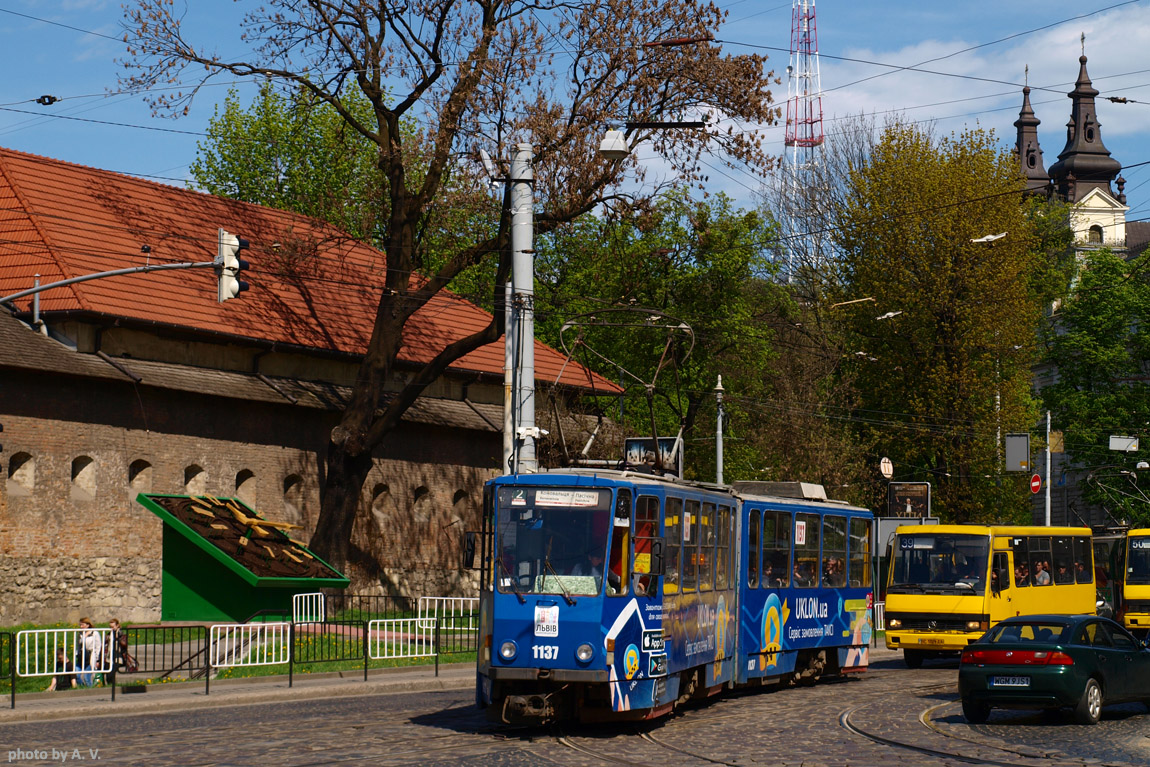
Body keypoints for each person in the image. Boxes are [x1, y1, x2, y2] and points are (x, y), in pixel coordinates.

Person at [74, 617, 103, 688]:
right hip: (81, 657)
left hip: (90, 657)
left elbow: (98, 647)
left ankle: (90, 689)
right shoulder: (80, 633)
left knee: (87, 677)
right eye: (80, 625)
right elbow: (78, 644)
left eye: (82, 625)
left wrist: (97, 659)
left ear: (88, 625)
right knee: (76, 675)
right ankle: (82, 688)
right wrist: (76, 654)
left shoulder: (95, 633)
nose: (81, 627)